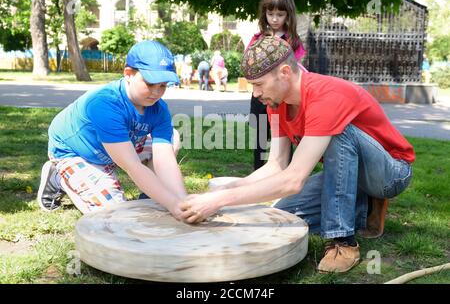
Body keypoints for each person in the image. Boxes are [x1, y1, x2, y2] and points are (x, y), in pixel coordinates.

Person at [179, 36, 415, 273]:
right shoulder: (276, 103)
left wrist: (217, 201)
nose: (256, 93)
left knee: (340, 133)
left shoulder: (325, 96)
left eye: (259, 84)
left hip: (391, 173)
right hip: (349, 171)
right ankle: (363, 208)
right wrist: (231, 188)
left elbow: (293, 180)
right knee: (281, 216)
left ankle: (343, 242)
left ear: (284, 72)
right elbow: (277, 165)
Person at [37, 40, 187, 219]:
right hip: (77, 153)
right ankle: (59, 178)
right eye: (149, 83)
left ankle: (150, 197)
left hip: (117, 147)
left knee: (172, 138)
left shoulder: (158, 108)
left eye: (162, 85)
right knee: (114, 215)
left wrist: (183, 201)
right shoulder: (105, 103)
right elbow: (132, 166)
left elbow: (165, 160)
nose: (156, 92)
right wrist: (172, 204)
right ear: (129, 74)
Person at [247, 0, 307, 170]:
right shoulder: (257, 39)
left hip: (283, 100)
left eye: (279, 14)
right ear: (264, 13)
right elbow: (250, 66)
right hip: (259, 97)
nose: (274, 19)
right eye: (270, 13)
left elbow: (294, 73)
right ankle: (258, 172)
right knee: (260, 137)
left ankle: (285, 176)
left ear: (288, 15)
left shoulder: (294, 42)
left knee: (285, 138)